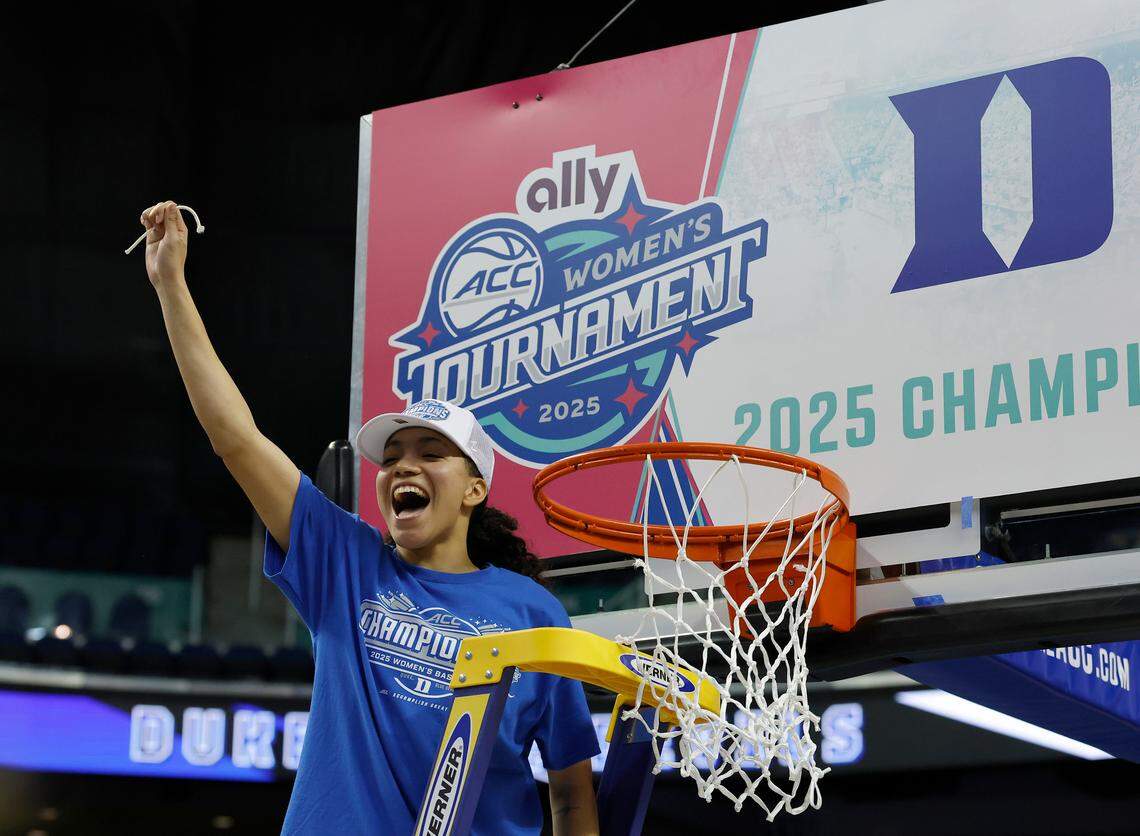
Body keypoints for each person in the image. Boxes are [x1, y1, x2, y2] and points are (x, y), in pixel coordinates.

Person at [139, 200, 601, 834]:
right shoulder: (346, 561)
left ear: (473, 490)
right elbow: (236, 437)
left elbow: (572, 797)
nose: (402, 467)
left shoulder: (534, 613)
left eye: (430, 453)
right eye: (391, 457)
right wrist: (171, 284)